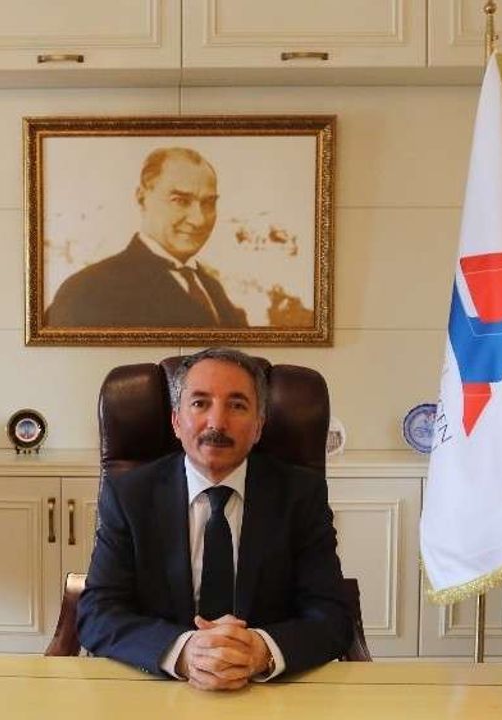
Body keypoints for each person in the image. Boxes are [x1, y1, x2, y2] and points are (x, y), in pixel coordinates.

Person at [77, 348, 352, 691]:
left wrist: (263, 650)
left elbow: (331, 615)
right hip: (158, 689)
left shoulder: (299, 495)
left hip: (266, 691)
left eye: (237, 405)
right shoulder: (130, 494)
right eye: (199, 403)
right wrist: (182, 652)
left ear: (259, 427)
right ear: (176, 421)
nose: (217, 423)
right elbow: (98, 612)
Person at [44, 147, 249, 328]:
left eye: (208, 203)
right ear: (141, 198)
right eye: (180, 200)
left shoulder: (212, 288)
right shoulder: (88, 290)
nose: (199, 219)